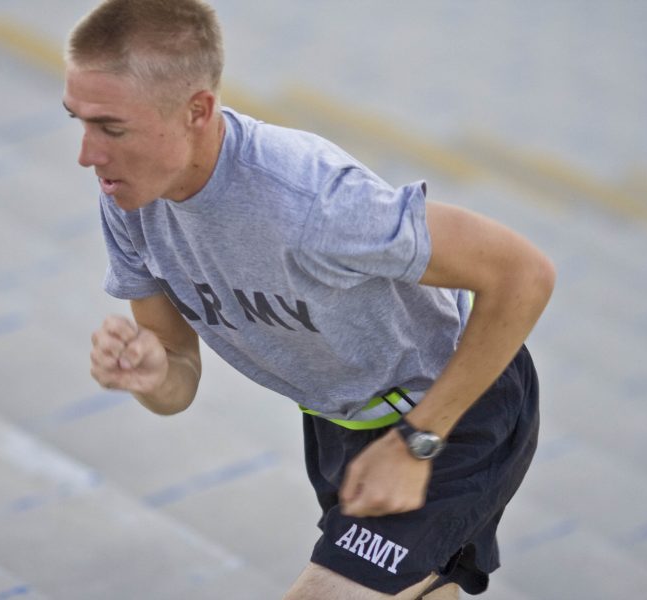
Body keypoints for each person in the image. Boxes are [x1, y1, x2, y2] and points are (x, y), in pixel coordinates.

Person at [62, 1, 555, 597]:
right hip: (340, 426)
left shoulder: (312, 201)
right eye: (79, 122)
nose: (88, 154)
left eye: (112, 128)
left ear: (197, 110)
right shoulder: (129, 204)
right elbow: (179, 376)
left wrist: (416, 443)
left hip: (456, 409)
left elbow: (524, 274)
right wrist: (153, 372)